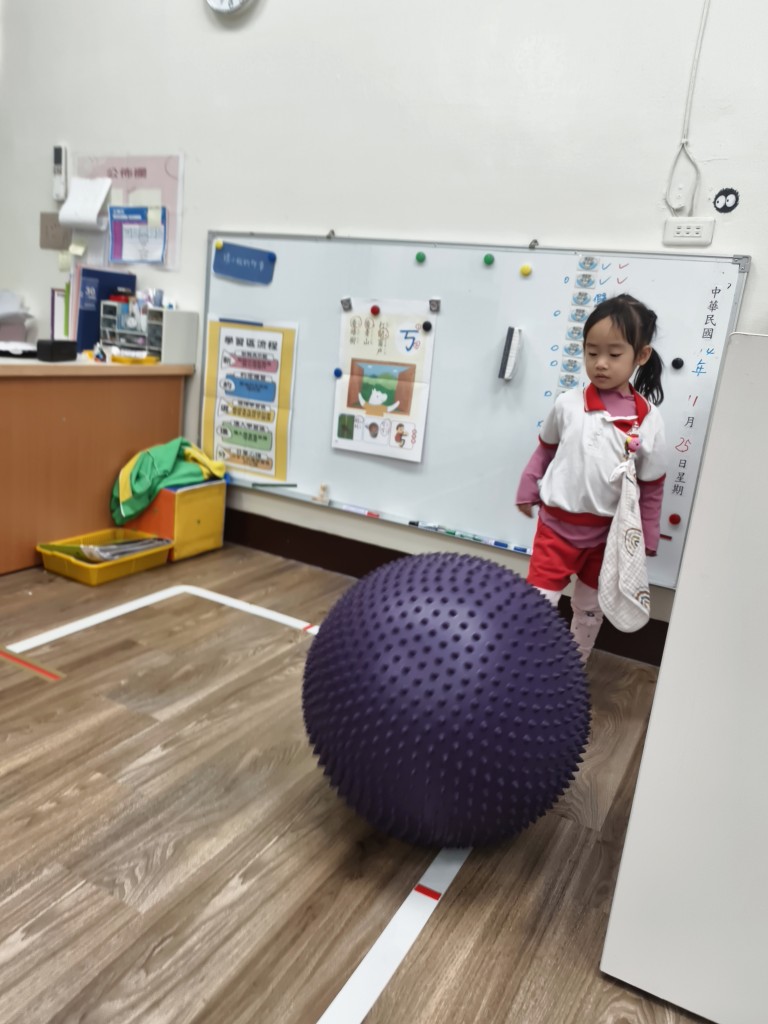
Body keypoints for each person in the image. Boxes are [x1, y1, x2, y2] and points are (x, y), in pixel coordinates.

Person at [516, 294, 666, 662]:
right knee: (537, 601)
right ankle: (524, 666)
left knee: (589, 605)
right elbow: (546, 449)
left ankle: (574, 663)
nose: (600, 363)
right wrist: (528, 485)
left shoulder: (648, 419)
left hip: (607, 537)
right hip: (555, 528)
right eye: (591, 352)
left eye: (614, 354)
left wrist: (647, 534)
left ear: (641, 355)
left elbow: (652, 484)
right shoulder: (568, 404)